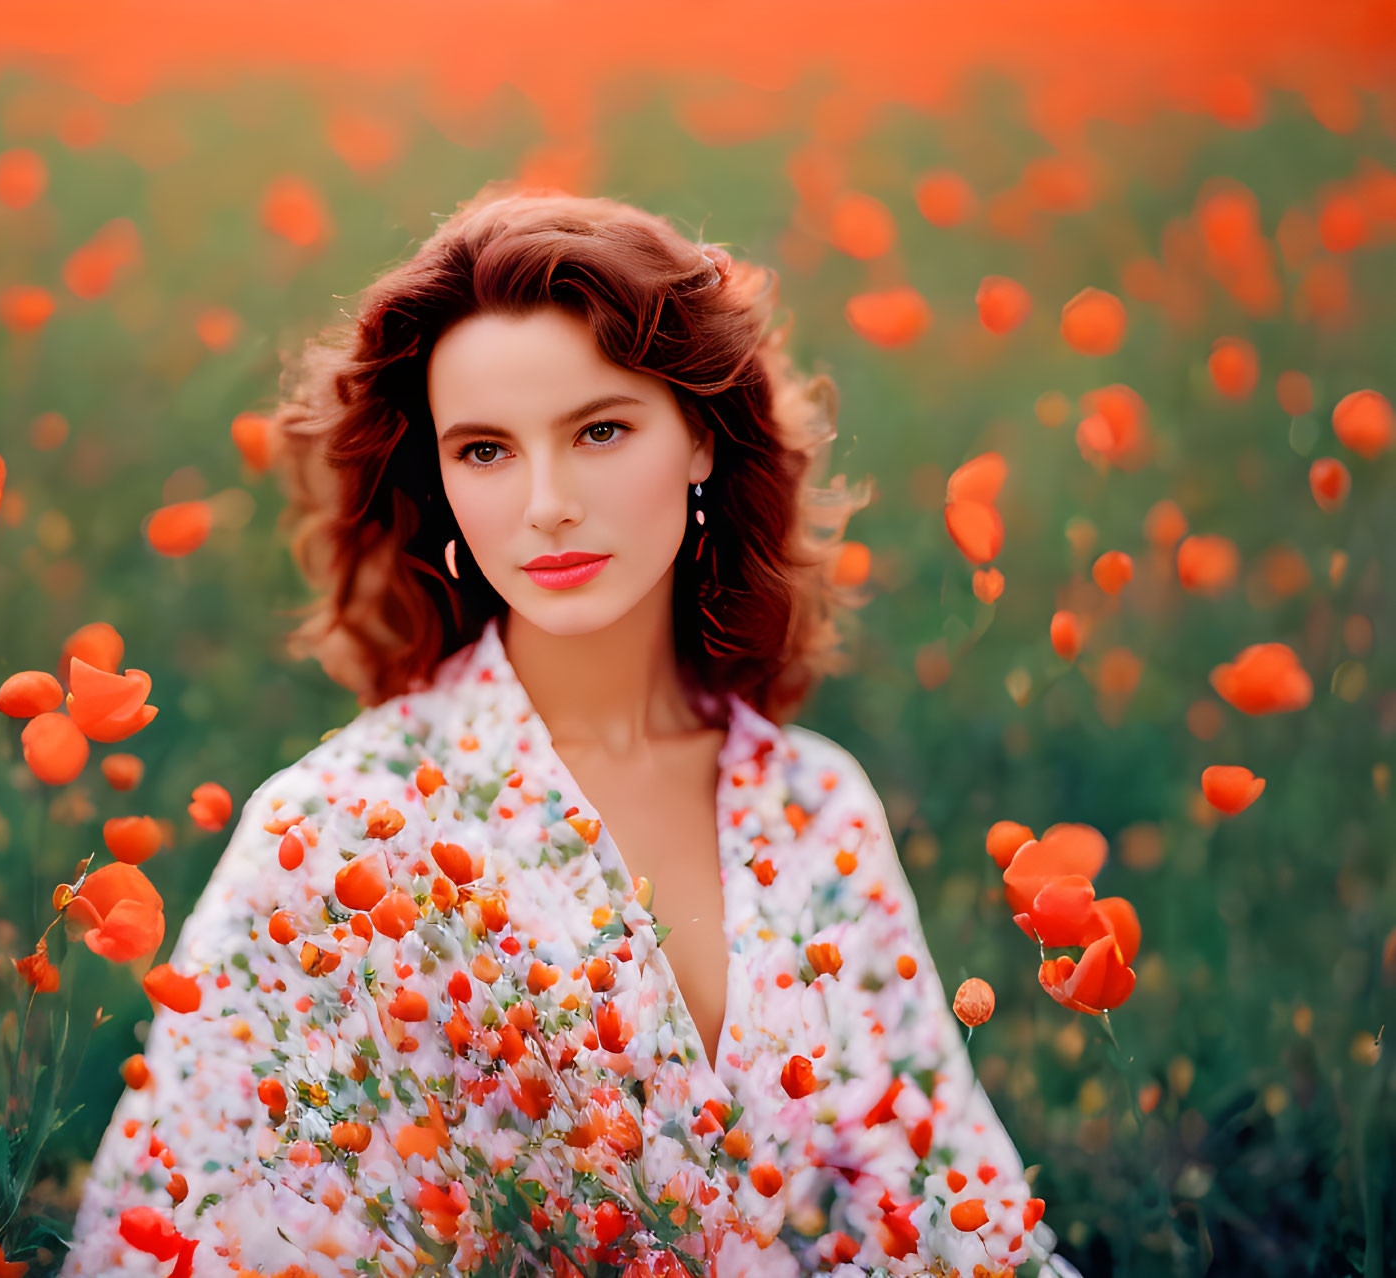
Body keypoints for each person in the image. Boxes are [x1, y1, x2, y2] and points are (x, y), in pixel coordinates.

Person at [60, 182, 1083, 1277]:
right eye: (485, 451)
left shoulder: (812, 806)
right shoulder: (337, 832)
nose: (543, 502)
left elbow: (948, 1213)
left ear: (699, 438)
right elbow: (196, 1234)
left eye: (598, 430)